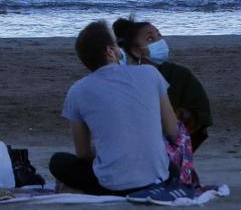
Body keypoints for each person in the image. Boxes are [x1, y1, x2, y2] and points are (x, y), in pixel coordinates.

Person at [48, 21, 190, 203]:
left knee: (58, 161)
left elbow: (82, 154)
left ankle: (81, 190)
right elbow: (173, 131)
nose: (120, 49)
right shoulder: (150, 73)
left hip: (111, 185)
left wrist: (111, 149)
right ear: (110, 51)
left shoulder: (77, 91)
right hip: (156, 180)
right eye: (116, 44)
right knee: (171, 169)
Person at [112, 18, 213, 151]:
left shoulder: (180, 75)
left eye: (159, 35)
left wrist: (181, 115)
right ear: (136, 50)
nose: (159, 41)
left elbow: (201, 114)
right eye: (150, 39)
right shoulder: (120, 77)